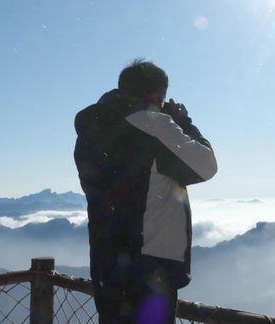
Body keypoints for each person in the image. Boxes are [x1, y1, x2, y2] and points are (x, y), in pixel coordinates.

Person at [73, 59, 217, 323]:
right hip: (151, 267)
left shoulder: (93, 130)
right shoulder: (154, 124)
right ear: (156, 94)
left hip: (107, 260)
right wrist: (184, 122)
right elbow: (206, 165)